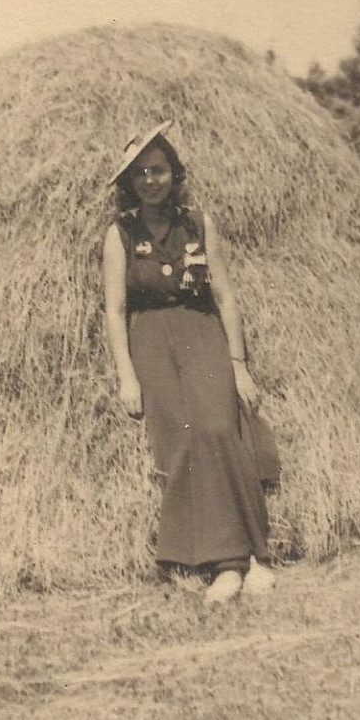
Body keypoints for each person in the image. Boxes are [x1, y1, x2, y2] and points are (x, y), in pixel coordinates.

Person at [103, 119, 279, 605]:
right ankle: (223, 564)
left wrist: (238, 362)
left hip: (201, 331)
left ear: (173, 173)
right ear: (129, 183)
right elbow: (116, 309)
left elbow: (224, 295)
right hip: (151, 338)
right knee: (180, 437)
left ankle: (255, 558)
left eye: (158, 170)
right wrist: (126, 375)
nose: (150, 181)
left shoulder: (198, 224)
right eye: (140, 174)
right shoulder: (120, 234)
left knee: (219, 426)